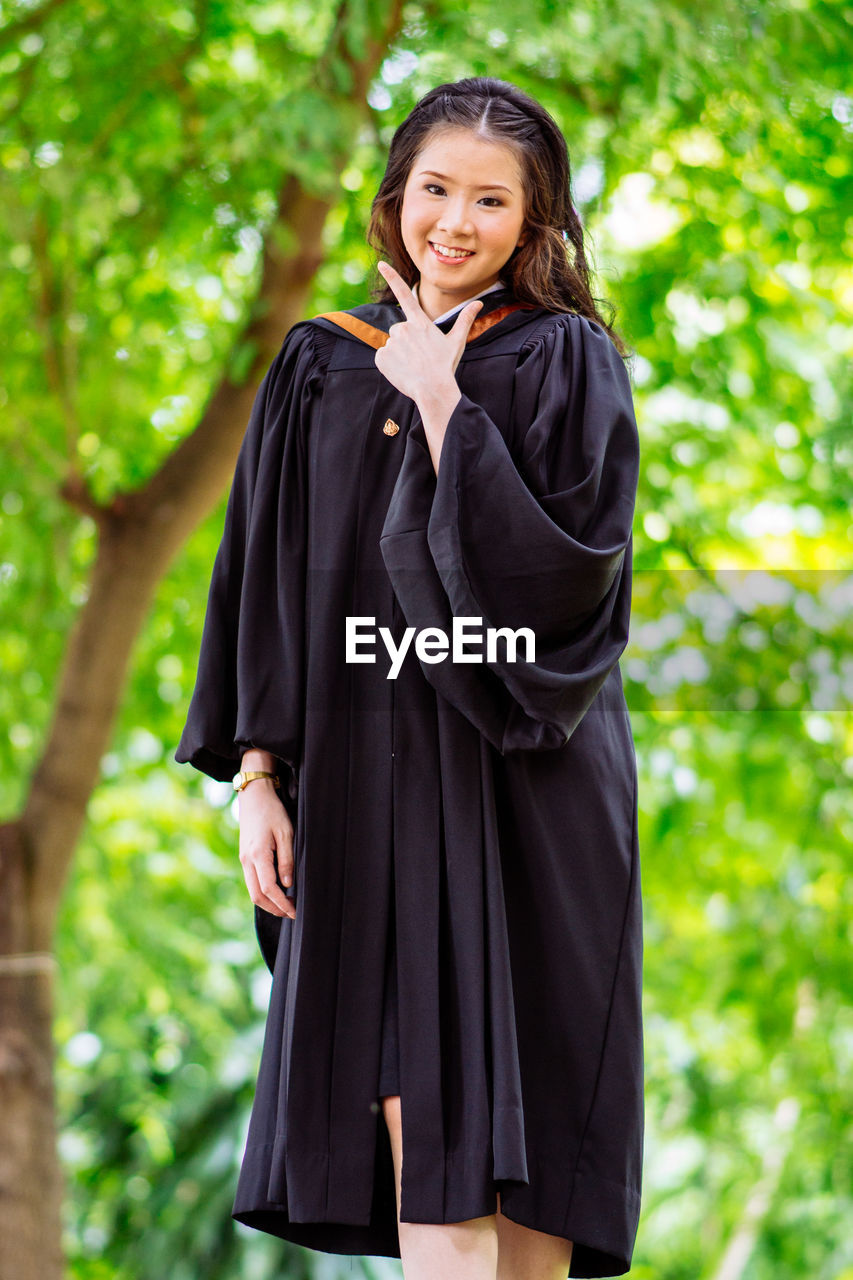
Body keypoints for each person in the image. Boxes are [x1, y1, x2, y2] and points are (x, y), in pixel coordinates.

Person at [175, 75, 644, 1279]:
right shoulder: (320, 365)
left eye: (492, 200)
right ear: (395, 199)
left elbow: (573, 583)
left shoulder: (565, 360)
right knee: (416, 1112)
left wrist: (444, 406)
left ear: (534, 224)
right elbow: (266, 578)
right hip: (368, 789)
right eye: (437, 188)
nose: (457, 221)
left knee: (534, 1164)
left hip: (526, 788)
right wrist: (258, 777)